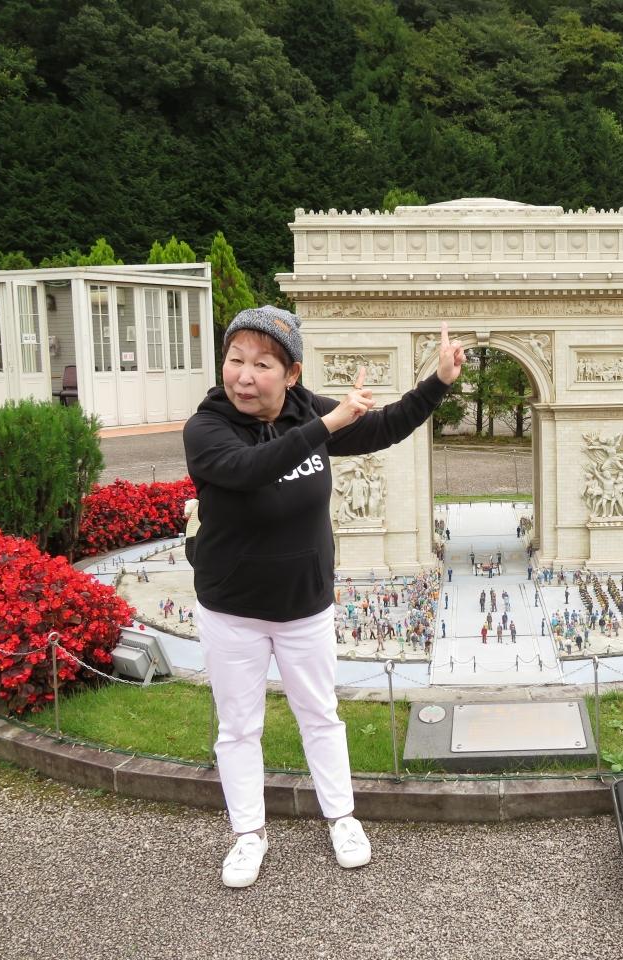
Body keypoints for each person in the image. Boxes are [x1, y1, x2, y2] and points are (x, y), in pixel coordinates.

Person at [183, 306, 463, 889]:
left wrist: (437, 382)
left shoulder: (306, 411)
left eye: (263, 364)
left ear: (291, 374)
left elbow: (383, 428)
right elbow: (250, 468)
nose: (244, 376)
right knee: (238, 728)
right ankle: (248, 833)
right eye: (235, 360)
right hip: (232, 609)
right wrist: (326, 426)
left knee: (321, 716)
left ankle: (342, 818)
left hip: (304, 606)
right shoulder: (206, 428)